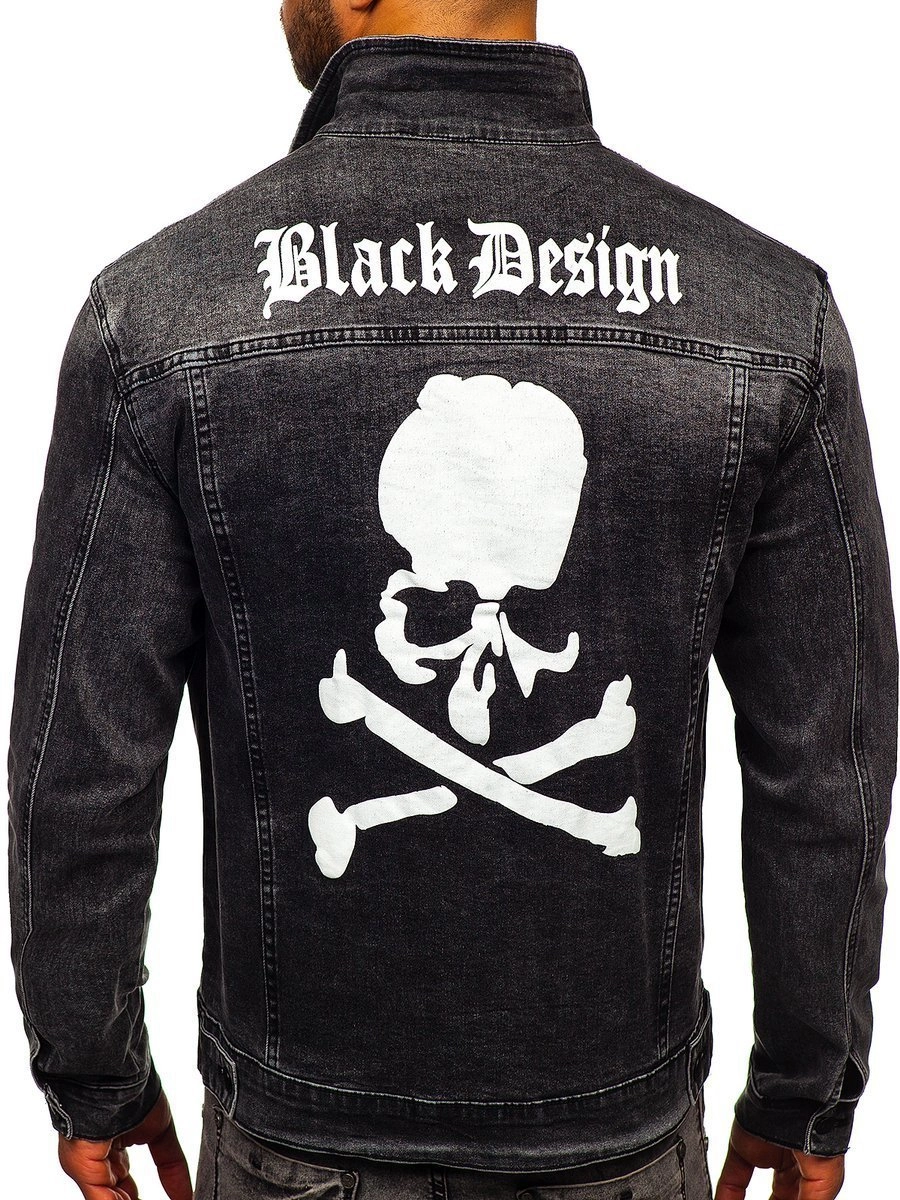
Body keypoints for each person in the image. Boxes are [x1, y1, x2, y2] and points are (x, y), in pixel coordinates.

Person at [6, 1, 896, 1198]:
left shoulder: (156, 320)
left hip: (295, 1146)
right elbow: (829, 772)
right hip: (620, 1147)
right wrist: (806, 1088)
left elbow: (80, 773)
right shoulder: (772, 320)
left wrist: (95, 1070)